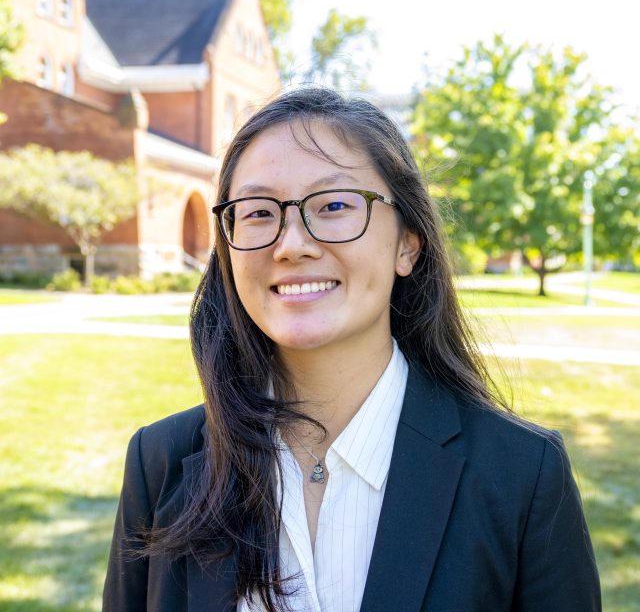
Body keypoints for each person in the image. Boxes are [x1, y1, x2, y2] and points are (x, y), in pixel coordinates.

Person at [103, 87, 601, 612]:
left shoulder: (522, 474)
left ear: (408, 243)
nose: (291, 243)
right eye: (257, 213)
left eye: (335, 204)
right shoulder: (162, 463)